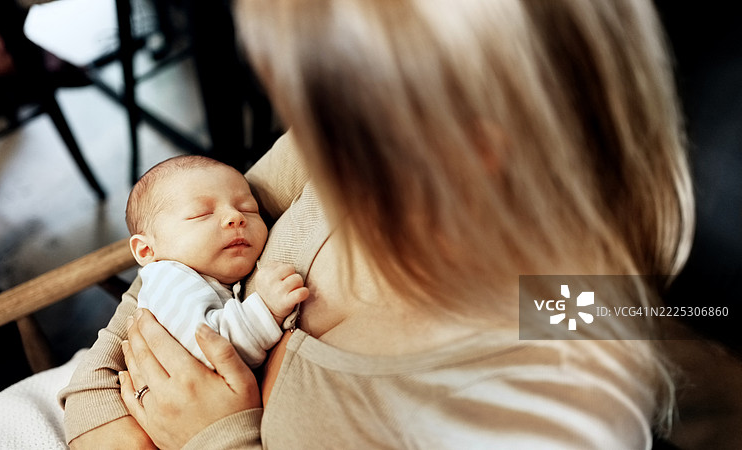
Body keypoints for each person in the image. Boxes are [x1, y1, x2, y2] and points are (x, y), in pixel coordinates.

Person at [60, 0, 694, 448]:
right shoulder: (340, 152)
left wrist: (215, 438)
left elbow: (620, 316)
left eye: (316, 103)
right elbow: (169, 264)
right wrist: (103, 424)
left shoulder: (551, 368)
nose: (303, 136)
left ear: (477, 147)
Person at [125, 155, 308, 369]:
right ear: (146, 250)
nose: (236, 216)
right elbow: (212, 351)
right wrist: (267, 309)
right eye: (201, 214)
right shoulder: (167, 278)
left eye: (248, 208)